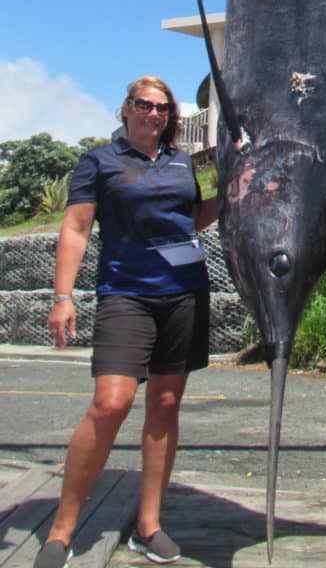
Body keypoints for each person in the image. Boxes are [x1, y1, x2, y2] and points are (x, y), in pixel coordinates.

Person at [34, 76, 218, 568]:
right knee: (110, 403)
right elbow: (75, 228)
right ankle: (60, 531)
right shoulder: (100, 161)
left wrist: (235, 196)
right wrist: (62, 296)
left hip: (183, 293)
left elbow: (192, 216)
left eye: (162, 108)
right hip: (126, 294)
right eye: (144, 105)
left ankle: (148, 526)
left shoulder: (181, 161)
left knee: (164, 404)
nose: (153, 114)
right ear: (126, 108)